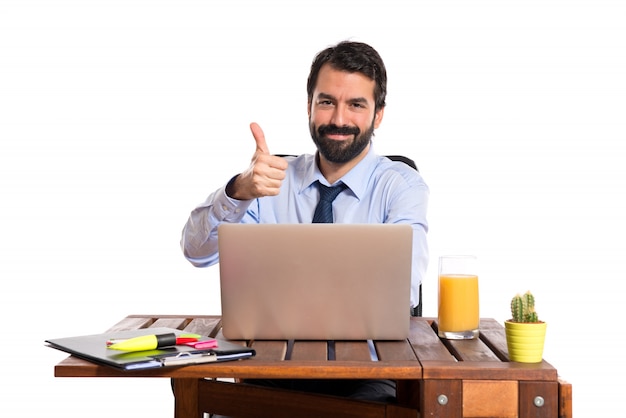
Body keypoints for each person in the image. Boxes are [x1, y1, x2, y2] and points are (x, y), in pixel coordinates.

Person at [180, 40, 429, 407]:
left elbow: (402, 289)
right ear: (309, 107)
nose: (339, 119)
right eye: (326, 102)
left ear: (377, 115)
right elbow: (195, 251)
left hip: (367, 380)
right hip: (266, 371)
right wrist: (238, 191)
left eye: (356, 105)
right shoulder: (268, 180)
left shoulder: (401, 185)